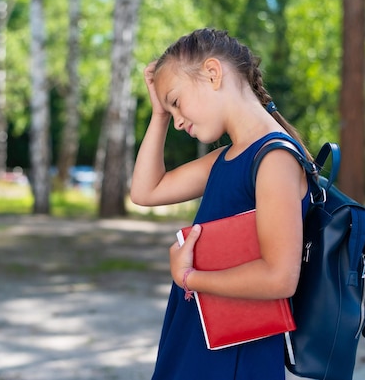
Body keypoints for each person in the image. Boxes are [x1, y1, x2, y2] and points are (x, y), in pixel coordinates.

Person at [130, 28, 312, 380]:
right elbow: (146, 191)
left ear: (213, 73)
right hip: (201, 338)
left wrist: (190, 278)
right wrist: (159, 115)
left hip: (234, 355)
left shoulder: (273, 158)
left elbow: (279, 277)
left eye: (176, 102)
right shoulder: (228, 157)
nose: (178, 120)